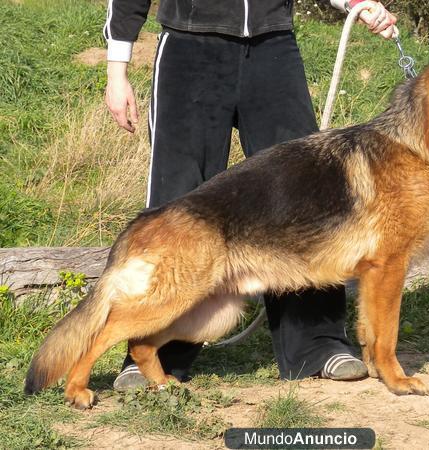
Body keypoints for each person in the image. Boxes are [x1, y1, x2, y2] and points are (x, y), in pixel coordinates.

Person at [103, 0, 397, 390]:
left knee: (306, 200)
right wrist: (116, 70)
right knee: (179, 197)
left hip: (272, 46)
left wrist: (355, 3)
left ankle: (318, 345)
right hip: (190, 47)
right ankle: (154, 356)